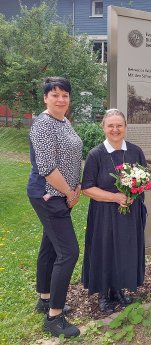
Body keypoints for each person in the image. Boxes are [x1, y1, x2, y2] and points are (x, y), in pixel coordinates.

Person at [27, 77, 82, 338]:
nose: (61, 99)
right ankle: (54, 317)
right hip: (49, 195)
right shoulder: (43, 125)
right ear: (45, 98)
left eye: (65, 95)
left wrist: (76, 185)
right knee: (69, 252)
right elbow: (47, 168)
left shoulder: (63, 121)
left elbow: (70, 156)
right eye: (55, 94)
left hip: (61, 194)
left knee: (50, 246)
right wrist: (69, 191)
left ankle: (45, 298)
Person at [81, 109, 147, 313]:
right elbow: (87, 188)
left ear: (125, 127)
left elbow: (144, 180)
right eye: (110, 125)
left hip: (129, 212)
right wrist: (116, 197)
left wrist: (133, 194)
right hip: (104, 214)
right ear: (103, 128)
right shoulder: (96, 155)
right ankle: (103, 294)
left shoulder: (135, 151)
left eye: (119, 125)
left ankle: (118, 289)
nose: (115, 129)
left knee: (124, 250)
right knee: (105, 250)